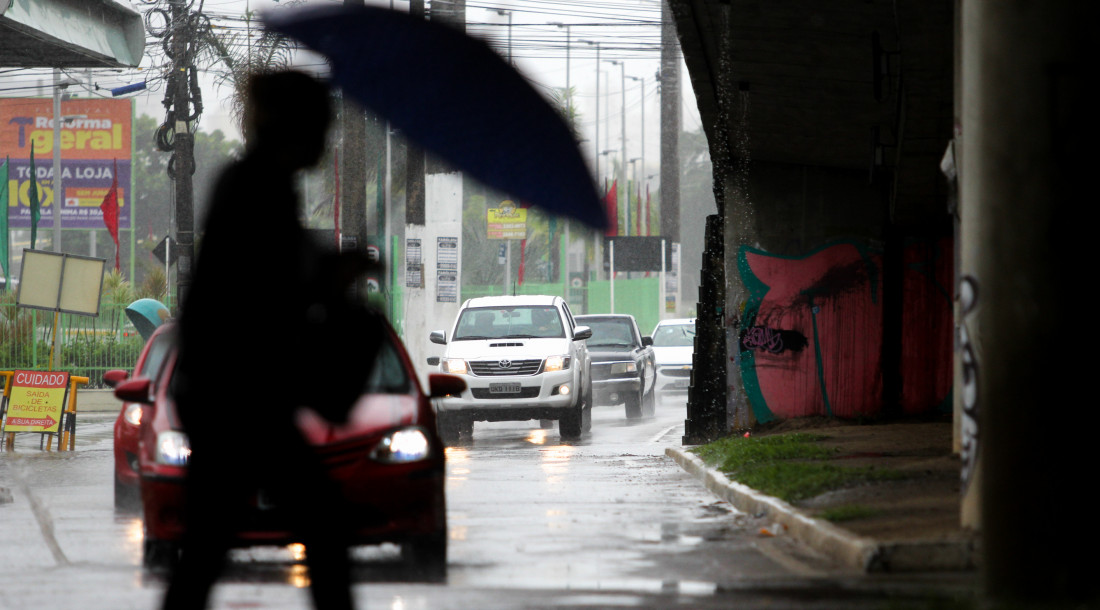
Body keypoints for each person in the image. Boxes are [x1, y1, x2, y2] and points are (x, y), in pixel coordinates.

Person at [166, 70, 363, 610]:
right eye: (322, 126)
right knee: (318, 526)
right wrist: (330, 279)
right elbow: (265, 291)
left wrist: (329, 273)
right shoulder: (257, 187)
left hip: (236, 396)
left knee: (207, 548)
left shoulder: (261, 184)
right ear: (295, 127)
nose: (328, 139)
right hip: (237, 398)